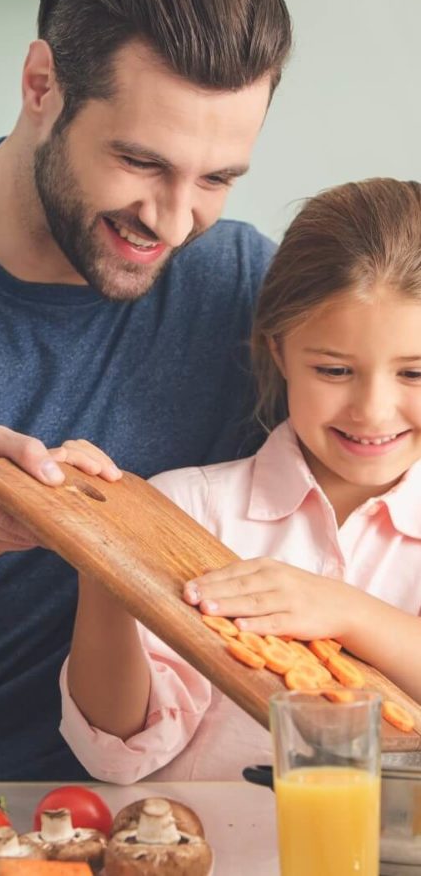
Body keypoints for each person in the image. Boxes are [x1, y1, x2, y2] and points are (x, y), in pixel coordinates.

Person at [0, 0, 291, 779]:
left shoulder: (248, 293)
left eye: (217, 180)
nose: (176, 222)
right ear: (42, 84)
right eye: (141, 161)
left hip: (150, 823)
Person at [61, 177, 421, 782]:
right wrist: (104, 562)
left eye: (415, 373)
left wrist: (348, 613)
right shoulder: (186, 511)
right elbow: (116, 751)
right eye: (334, 369)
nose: (373, 410)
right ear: (278, 351)